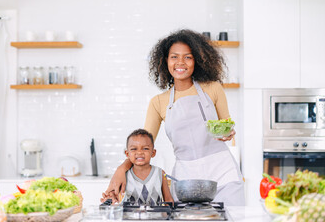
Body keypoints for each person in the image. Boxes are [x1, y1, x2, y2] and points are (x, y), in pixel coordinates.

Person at [103, 29, 245, 206]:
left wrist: (229, 133)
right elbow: (143, 145)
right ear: (165, 61)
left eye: (188, 57)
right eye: (174, 57)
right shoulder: (159, 102)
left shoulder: (213, 88)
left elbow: (227, 125)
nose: (180, 63)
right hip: (186, 179)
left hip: (222, 173)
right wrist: (121, 169)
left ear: (197, 61)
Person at [101, 129, 173, 205]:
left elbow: (168, 199)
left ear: (153, 153)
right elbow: (113, 195)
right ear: (127, 154)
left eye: (145, 148)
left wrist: (170, 214)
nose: (139, 152)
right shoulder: (124, 176)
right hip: (128, 216)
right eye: (134, 149)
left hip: (156, 216)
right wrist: (111, 197)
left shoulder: (160, 173)